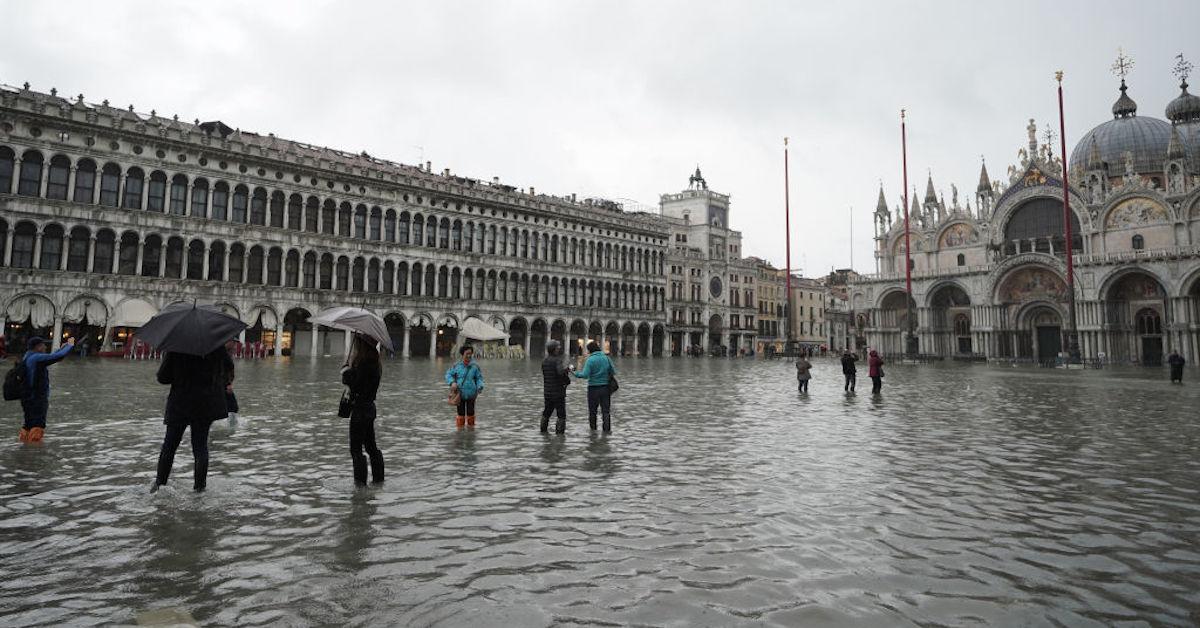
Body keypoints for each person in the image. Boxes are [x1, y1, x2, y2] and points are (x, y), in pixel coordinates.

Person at [152, 346, 233, 492]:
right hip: (206, 403)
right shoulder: (216, 346)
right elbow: (229, 369)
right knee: (200, 446)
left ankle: (159, 485)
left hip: (180, 403)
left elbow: (163, 378)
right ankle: (199, 489)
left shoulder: (177, 346)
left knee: (169, 445)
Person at [342, 334, 384, 486]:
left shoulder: (364, 364)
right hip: (370, 409)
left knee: (356, 449)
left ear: (362, 346)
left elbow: (356, 386)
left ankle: (360, 484)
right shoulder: (375, 363)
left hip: (360, 410)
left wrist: (346, 373)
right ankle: (379, 480)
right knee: (371, 447)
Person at [18, 336, 75, 443]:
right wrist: (70, 345)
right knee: (38, 423)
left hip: (27, 398)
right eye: (43, 345)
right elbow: (57, 357)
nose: (45, 347)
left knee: (28, 424)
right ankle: (34, 451)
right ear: (38, 347)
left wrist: (62, 349)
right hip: (37, 398)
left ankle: (24, 445)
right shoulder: (37, 358)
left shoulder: (28, 356)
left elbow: (53, 357)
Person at [574, 341, 615, 432]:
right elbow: (613, 371)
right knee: (606, 411)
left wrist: (575, 373)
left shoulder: (590, 360)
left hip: (593, 389)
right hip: (605, 388)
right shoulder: (606, 358)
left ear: (590, 350)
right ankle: (607, 432)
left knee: (593, 412)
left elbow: (585, 375)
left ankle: (593, 432)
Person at [446, 345, 484, 430]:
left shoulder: (475, 366)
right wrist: (452, 382)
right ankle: (460, 432)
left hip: (471, 394)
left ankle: (471, 432)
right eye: (467, 353)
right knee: (461, 414)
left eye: (470, 353)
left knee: (471, 414)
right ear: (462, 354)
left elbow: (479, 378)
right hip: (460, 394)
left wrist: (480, 386)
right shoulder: (456, 366)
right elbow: (448, 375)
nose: (469, 355)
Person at [540, 340, 572, 433]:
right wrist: (567, 373)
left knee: (546, 412)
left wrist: (564, 370)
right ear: (554, 349)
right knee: (561, 415)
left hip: (548, 392)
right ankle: (560, 436)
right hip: (558, 393)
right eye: (558, 348)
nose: (559, 349)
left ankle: (543, 431)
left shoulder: (544, 361)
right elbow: (560, 373)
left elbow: (550, 374)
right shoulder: (557, 360)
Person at [223, 339, 239, 433]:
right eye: (233, 342)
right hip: (222, 386)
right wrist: (228, 384)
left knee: (232, 407)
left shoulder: (228, 355)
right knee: (233, 407)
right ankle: (232, 428)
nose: (235, 345)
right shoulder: (223, 355)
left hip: (224, 385)